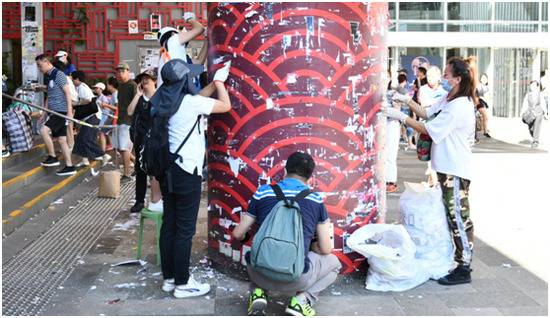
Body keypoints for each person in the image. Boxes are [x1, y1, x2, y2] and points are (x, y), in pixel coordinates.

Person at [385, 57, 477, 285]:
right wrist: (406, 100)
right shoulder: (451, 97)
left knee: (458, 217)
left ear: (457, 78)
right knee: (451, 215)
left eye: (447, 74)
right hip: (446, 167)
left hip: (455, 169)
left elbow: (428, 127)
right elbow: (427, 112)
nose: (443, 78)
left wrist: (400, 116)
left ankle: (464, 267)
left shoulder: (460, 105)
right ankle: (458, 261)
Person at [233, 152, 340, 316]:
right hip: (296, 278)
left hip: (258, 273)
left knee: (255, 251)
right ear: (310, 178)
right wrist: (309, 246)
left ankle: (258, 291)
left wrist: (247, 237)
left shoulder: (263, 192)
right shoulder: (315, 199)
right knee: (334, 264)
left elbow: (238, 234)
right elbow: (326, 249)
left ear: (284, 171)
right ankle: (302, 300)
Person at [158, 59, 231, 299]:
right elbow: (224, 106)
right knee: (184, 230)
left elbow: (197, 98)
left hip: (166, 169)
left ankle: (169, 279)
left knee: (169, 224)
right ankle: (183, 283)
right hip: (186, 171)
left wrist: (211, 83)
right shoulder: (190, 103)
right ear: (184, 80)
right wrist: (219, 83)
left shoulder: (161, 99)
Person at [127, 69, 163, 213]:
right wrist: (137, 95)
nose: (144, 80)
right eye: (142, 78)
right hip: (141, 140)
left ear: (154, 80)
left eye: (147, 78)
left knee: (157, 171)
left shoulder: (160, 97)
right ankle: (139, 201)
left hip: (156, 140)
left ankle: (158, 199)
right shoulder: (140, 98)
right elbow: (129, 112)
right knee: (140, 170)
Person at [34, 54, 75, 175]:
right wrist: (44, 113)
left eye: (40, 65)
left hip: (61, 112)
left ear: (47, 62)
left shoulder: (58, 74)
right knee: (62, 139)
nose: (39, 68)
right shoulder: (50, 76)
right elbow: (50, 96)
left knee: (44, 130)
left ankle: (52, 157)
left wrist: (69, 112)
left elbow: (68, 93)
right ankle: (69, 166)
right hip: (54, 111)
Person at [156, 12, 205, 87]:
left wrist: (207, 40)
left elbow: (199, 62)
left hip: (169, 94)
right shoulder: (173, 40)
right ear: (173, 34)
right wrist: (190, 19)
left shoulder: (167, 56)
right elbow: (200, 29)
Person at [113, 62, 137, 183]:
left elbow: (137, 103)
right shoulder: (120, 86)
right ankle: (138, 163)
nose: (120, 74)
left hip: (129, 121)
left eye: (123, 71)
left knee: (124, 148)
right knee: (121, 148)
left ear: (128, 71)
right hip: (120, 119)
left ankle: (127, 174)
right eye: (118, 71)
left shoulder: (132, 85)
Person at [520, 80, 548, 148]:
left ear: (537, 86)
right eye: (531, 85)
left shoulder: (540, 94)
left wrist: (545, 113)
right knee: (531, 128)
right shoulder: (528, 95)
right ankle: (535, 136)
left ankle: (535, 141)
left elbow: (543, 104)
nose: (532, 87)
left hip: (539, 112)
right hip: (530, 113)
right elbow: (525, 104)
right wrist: (522, 112)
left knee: (537, 126)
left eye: (534, 85)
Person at [98, 77, 118, 153]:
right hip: (112, 117)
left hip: (113, 117)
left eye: (107, 84)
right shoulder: (114, 94)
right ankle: (112, 147)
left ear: (111, 85)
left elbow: (116, 108)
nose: (106, 86)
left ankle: (102, 153)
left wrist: (106, 105)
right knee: (109, 133)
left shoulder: (115, 94)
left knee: (102, 132)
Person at [477, 73, 491, 138]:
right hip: (479, 102)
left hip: (484, 102)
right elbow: (479, 93)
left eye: (485, 78)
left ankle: (485, 130)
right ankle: (485, 131)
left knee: (485, 118)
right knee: (485, 116)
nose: (484, 79)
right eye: (482, 78)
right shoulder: (479, 85)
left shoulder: (487, 87)